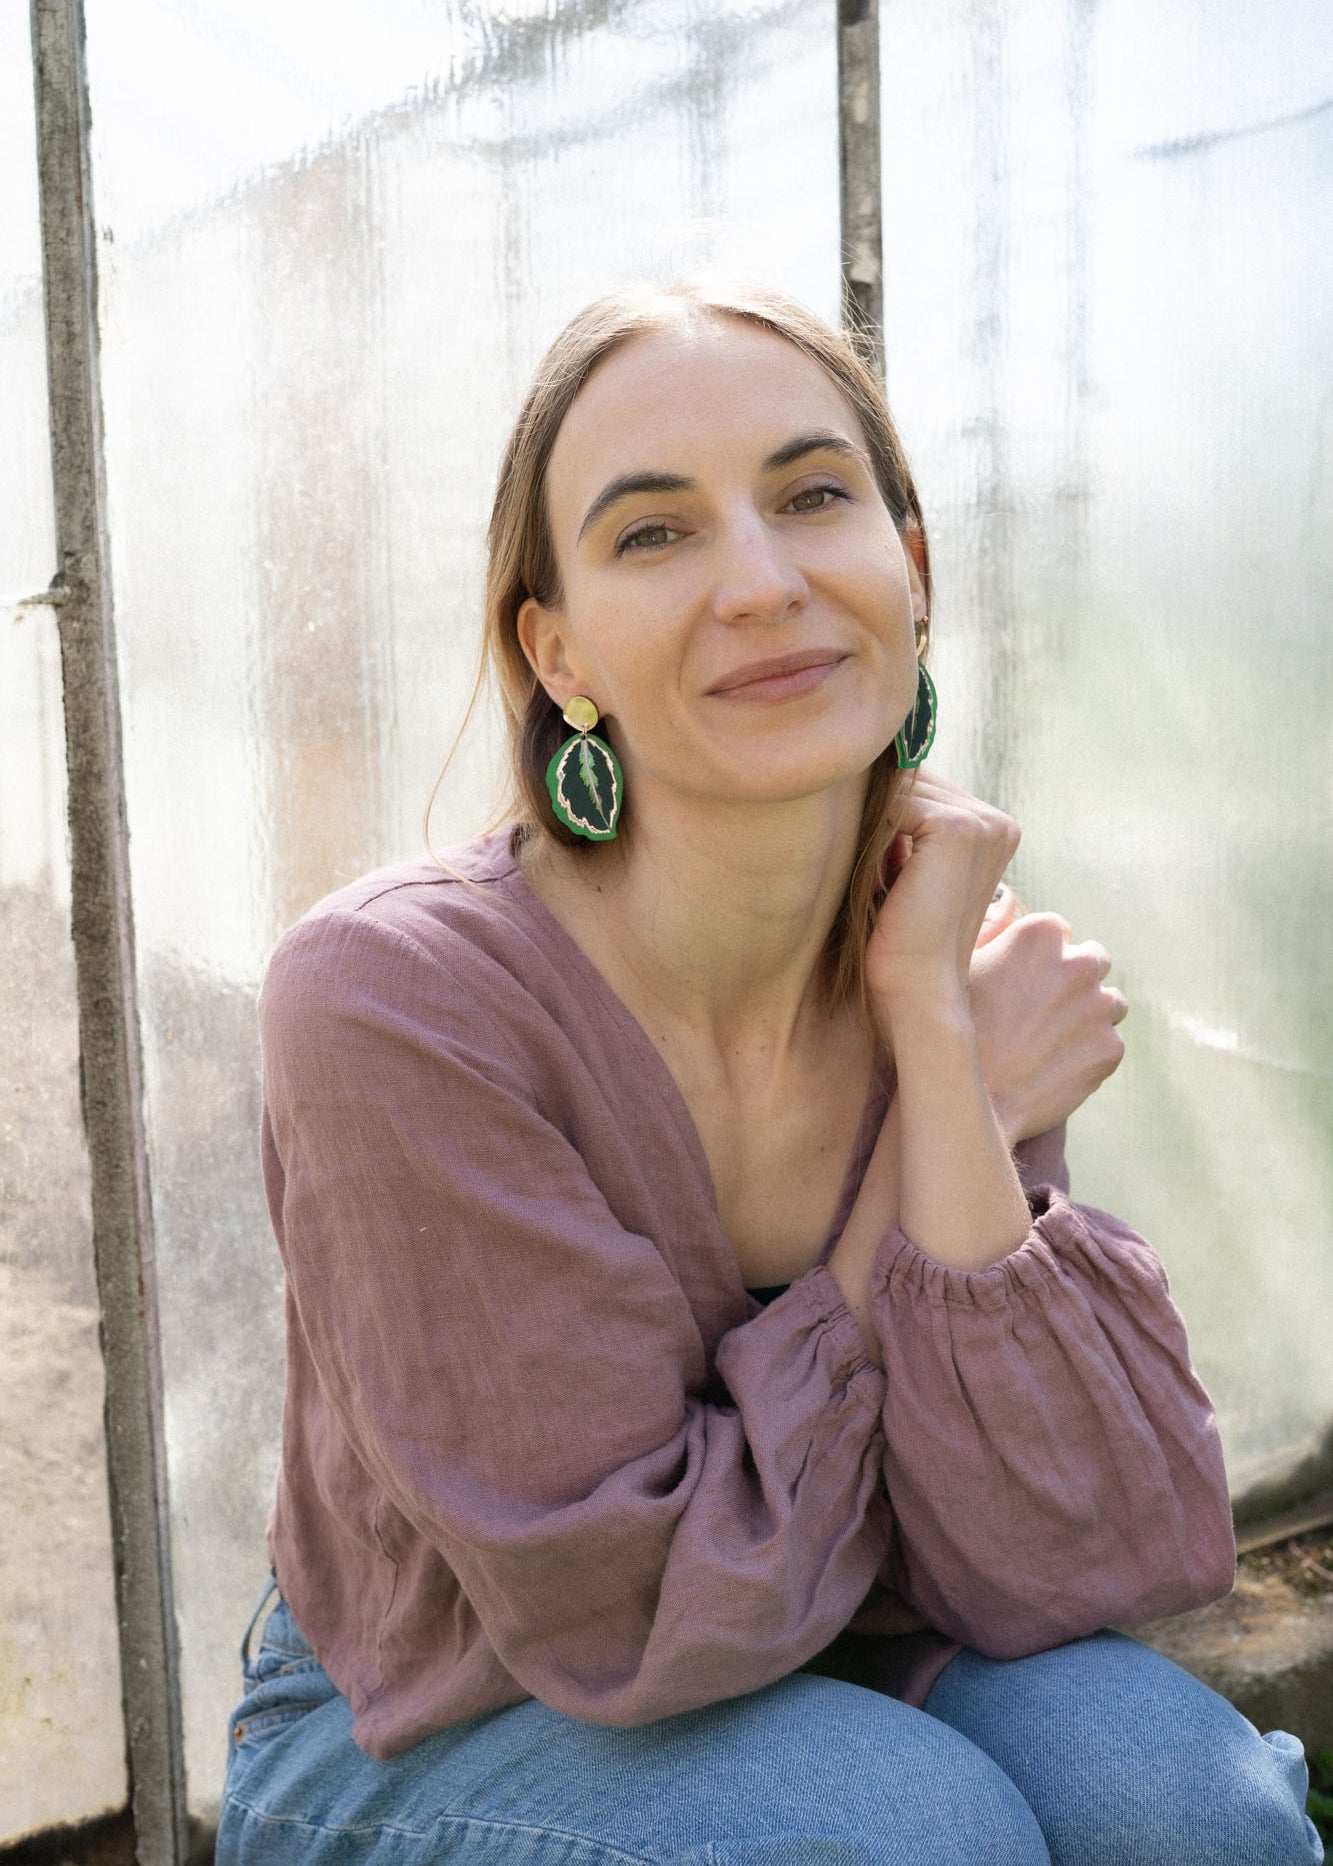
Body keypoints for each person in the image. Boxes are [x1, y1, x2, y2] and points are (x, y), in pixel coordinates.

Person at [216, 279, 1322, 1865]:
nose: (761, 580)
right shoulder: (396, 996)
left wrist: (932, 1038)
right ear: (559, 647)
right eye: (653, 533)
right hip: (441, 1709)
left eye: (813, 496)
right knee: (905, 1833)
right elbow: (629, 1614)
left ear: (911, 570)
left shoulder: (924, 943)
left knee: (1185, 1810)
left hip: (843, 1635)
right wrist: (947, 1130)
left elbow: (1073, 1551)